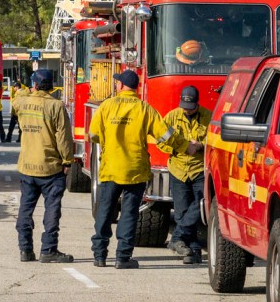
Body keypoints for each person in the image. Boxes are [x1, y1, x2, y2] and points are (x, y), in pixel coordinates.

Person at [88, 68, 172, 269]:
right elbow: (165, 137)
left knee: (105, 212)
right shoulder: (145, 109)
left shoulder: (107, 106)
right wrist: (185, 146)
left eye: (117, 82)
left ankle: (99, 255)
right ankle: (122, 258)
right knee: (129, 214)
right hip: (135, 170)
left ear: (121, 86)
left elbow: (93, 135)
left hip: (110, 169)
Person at [14, 68, 75, 263]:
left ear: (34, 84)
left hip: (27, 166)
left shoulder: (22, 102)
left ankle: (25, 250)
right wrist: (67, 160)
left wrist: (27, 90)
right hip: (50, 167)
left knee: (25, 209)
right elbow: (63, 136)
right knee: (52, 210)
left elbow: (18, 94)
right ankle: (48, 250)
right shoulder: (56, 106)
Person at [159, 85, 212, 264]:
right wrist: (177, 148)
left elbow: (214, 140)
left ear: (198, 104)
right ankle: (192, 250)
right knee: (182, 211)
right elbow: (160, 139)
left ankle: (177, 238)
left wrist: (201, 145)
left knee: (200, 206)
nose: (186, 110)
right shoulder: (172, 117)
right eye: (184, 107)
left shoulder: (208, 117)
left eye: (190, 107)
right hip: (178, 169)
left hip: (199, 168)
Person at [4, 70, 28, 142]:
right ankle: (20, 139)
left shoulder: (17, 93)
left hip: (16, 113)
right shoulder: (24, 92)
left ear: (17, 87)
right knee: (20, 127)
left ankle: (9, 138)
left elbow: (14, 103)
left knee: (11, 127)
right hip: (21, 113)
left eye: (14, 87)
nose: (13, 88)